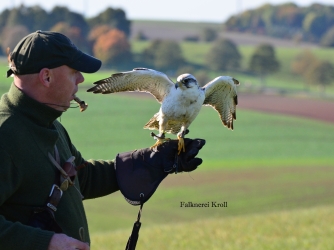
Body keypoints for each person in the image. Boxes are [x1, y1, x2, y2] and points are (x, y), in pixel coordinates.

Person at [0, 30, 205, 250]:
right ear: (46, 77)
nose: (80, 79)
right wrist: (47, 242)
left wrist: (149, 161)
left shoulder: (48, 123)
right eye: (73, 72)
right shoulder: (6, 136)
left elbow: (80, 178)